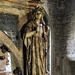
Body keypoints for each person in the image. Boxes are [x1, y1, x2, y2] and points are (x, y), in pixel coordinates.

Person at [23, 6, 49, 75]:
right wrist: (34, 32)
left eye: (39, 13)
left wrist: (46, 49)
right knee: (34, 61)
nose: (38, 15)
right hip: (33, 46)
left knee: (41, 62)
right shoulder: (30, 24)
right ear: (34, 14)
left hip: (41, 46)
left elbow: (45, 39)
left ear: (42, 15)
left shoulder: (43, 26)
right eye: (37, 13)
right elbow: (26, 35)